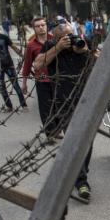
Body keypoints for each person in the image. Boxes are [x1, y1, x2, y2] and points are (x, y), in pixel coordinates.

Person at [31, 23, 98, 202]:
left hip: (86, 102)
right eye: (66, 37)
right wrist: (58, 48)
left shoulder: (83, 44)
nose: (71, 39)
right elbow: (37, 65)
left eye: (72, 34)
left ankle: (77, 173)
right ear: (57, 38)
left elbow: (98, 66)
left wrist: (86, 52)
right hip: (64, 104)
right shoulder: (51, 47)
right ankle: (81, 181)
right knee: (76, 140)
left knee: (87, 141)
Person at [22, 16, 56, 139]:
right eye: (38, 26)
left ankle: (56, 130)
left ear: (47, 26)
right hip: (42, 80)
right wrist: (24, 82)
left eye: (43, 25)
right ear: (34, 29)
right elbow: (27, 64)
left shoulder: (55, 40)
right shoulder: (31, 45)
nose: (41, 28)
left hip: (57, 79)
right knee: (45, 108)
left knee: (57, 105)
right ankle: (50, 133)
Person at [0, 22, 26, 112]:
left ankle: (23, 105)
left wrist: (23, 56)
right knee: (1, 87)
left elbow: (13, 47)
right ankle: (9, 106)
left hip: (9, 65)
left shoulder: (3, 37)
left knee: (15, 85)